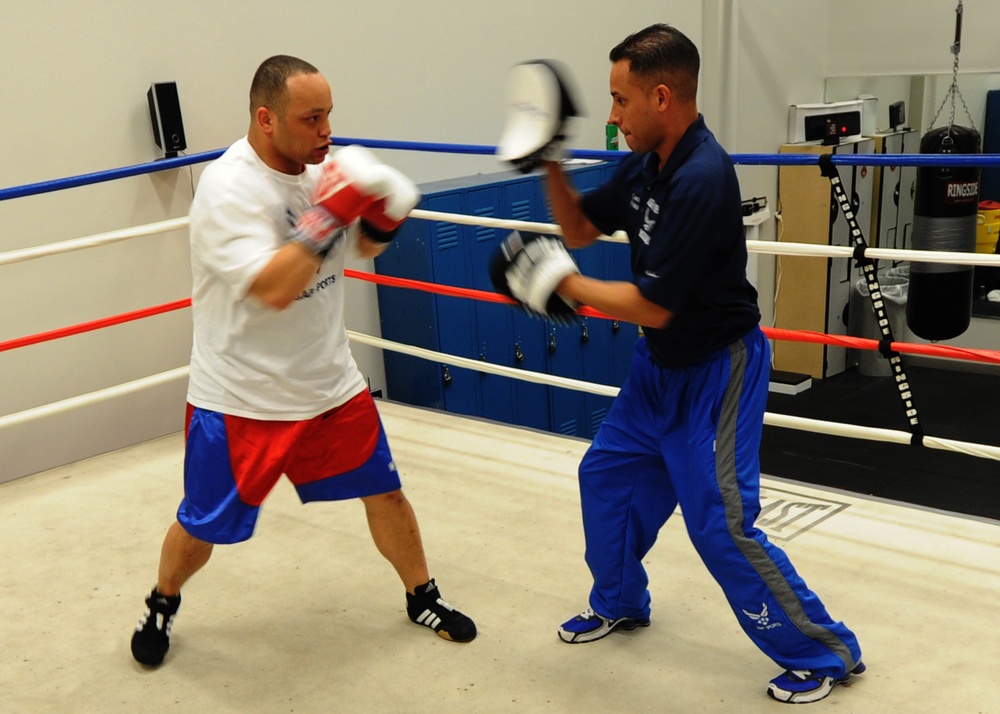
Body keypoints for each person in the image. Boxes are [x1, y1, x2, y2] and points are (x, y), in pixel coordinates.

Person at [496, 24, 863, 704]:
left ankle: (823, 650)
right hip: (656, 370)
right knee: (603, 476)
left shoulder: (701, 177)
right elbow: (579, 228)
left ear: (661, 97)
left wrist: (559, 283)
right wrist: (548, 158)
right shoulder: (645, 163)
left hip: (717, 371)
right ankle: (621, 601)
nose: (611, 117)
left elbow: (653, 304)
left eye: (619, 100)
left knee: (720, 524)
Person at [130, 54, 475, 667]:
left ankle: (422, 593)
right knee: (203, 524)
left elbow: (363, 245)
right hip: (242, 397)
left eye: (329, 115)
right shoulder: (227, 189)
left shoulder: (323, 171)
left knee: (386, 492)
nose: (326, 131)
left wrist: (385, 214)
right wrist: (335, 210)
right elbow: (274, 287)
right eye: (311, 118)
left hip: (328, 383)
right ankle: (162, 599)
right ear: (267, 119)